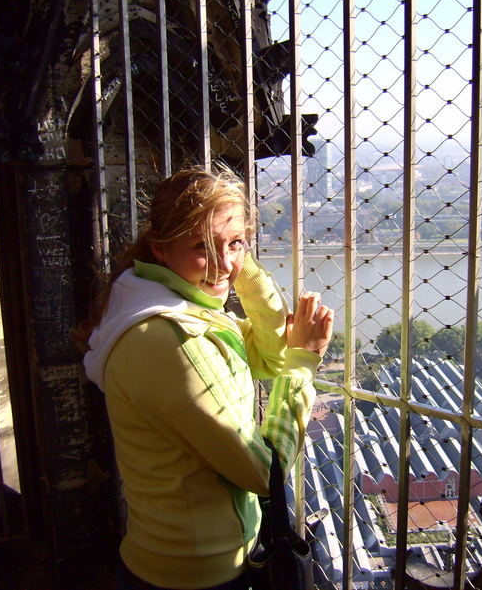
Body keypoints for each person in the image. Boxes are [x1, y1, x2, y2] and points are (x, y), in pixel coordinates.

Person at [78, 166, 333, 590]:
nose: (224, 263)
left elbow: (266, 357)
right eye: (202, 246)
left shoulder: (169, 302)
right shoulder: (170, 338)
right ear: (161, 250)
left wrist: (242, 269)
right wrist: (305, 360)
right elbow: (262, 471)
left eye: (236, 244)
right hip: (196, 573)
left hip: (180, 558)